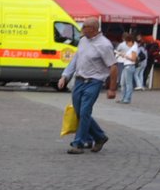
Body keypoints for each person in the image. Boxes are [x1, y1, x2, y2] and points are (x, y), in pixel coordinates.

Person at [57, 17, 119, 154]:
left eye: (84, 27)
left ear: (93, 29)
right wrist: (65, 76)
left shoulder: (104, 45)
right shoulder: (83, 40)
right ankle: (99, 137)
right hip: (79, 80)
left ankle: (78, 143)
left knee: (85, 111)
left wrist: (112, 89)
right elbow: (76, 59)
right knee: (79, 112)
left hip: (94, 82)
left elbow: (113, 67)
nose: (82, 29)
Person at [115, 32, 139, 103]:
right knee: (123, 83)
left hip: (129, 66)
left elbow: (133, 59)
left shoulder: (134, 48)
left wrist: (124, 56)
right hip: (126, 66)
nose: (126, 44)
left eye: (127, 42)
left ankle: (127, 98)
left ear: (130, 41)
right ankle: (124, 97)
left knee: (128, 83)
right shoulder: (132, 47)